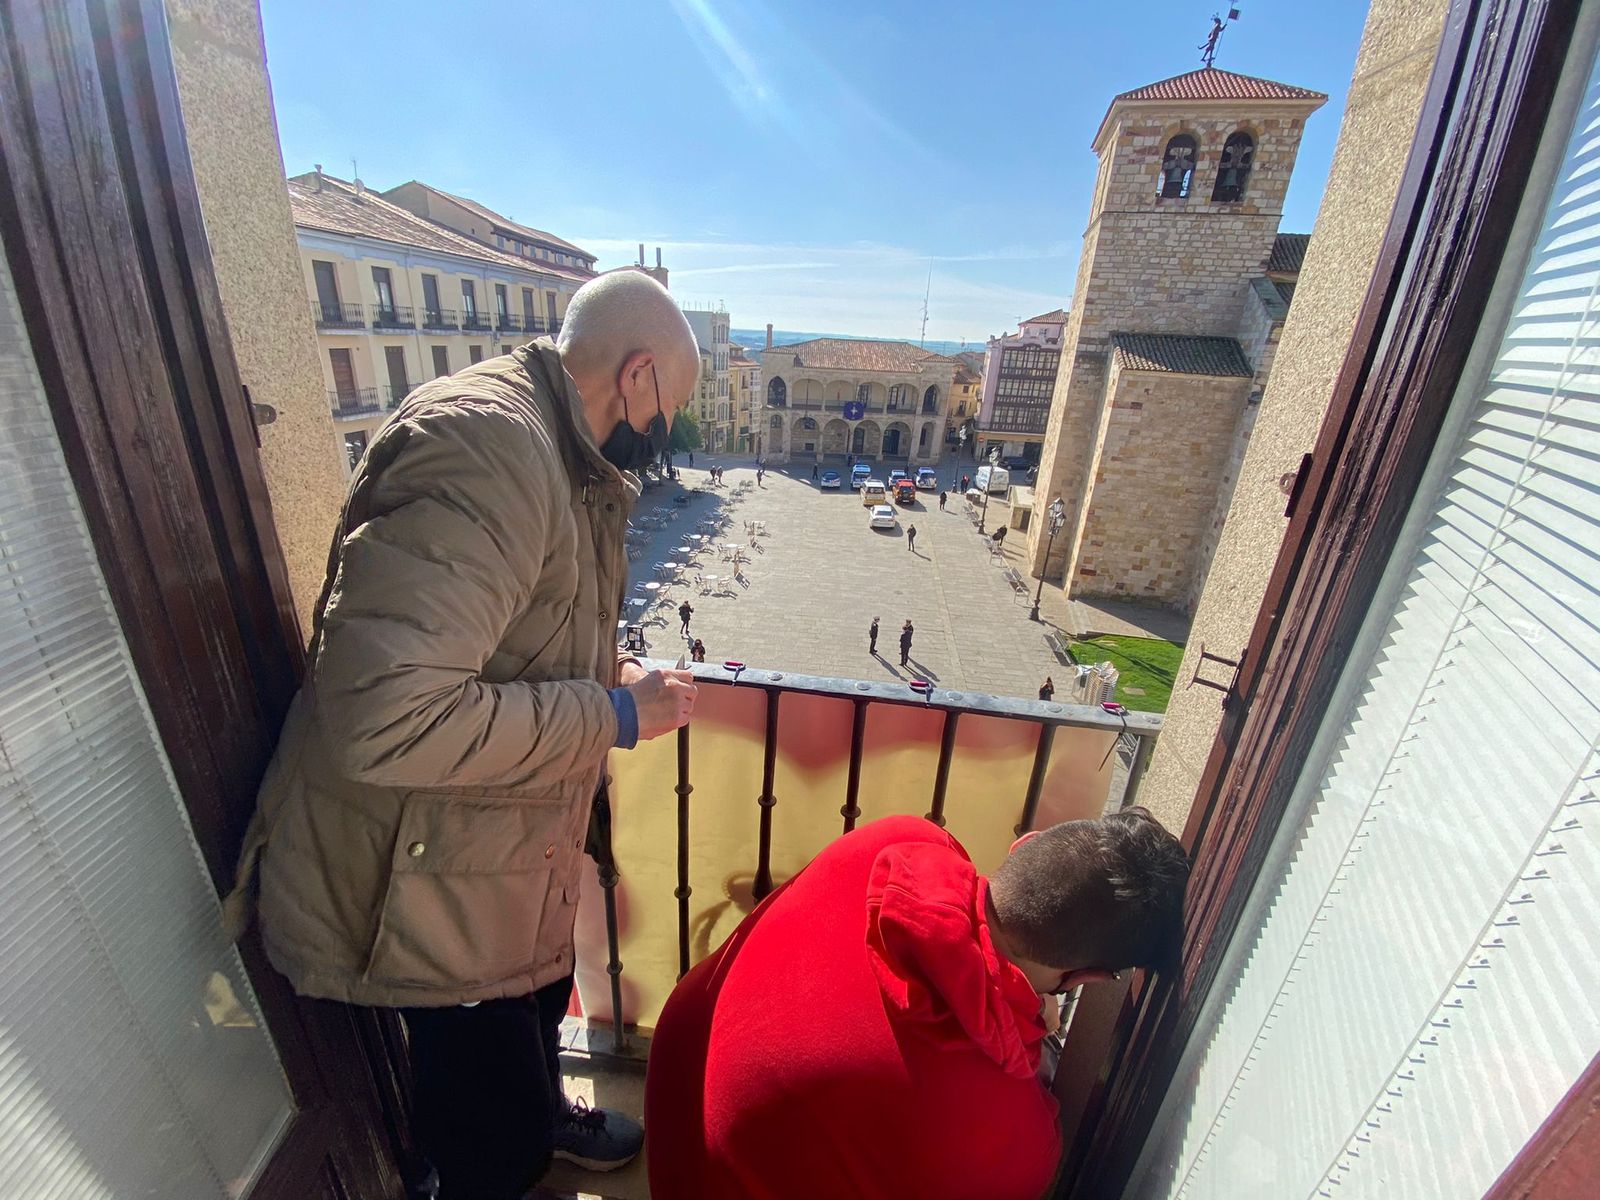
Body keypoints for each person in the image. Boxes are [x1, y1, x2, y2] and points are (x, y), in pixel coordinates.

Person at [224, 270, 703, 1199]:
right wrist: (615, 717)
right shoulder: (490, 448)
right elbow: (387, 715)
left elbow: (513, 631)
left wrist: (612, 674)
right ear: (638, 376)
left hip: (492, 855)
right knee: (485, 1139)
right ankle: (508, 1152)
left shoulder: (555, 454)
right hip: (424, 885)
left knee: (530, 1024)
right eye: (668, 413)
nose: (662, 437)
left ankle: (539, 1119)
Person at [644, 809, 1189, 1200]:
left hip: (677, 1102)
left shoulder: (898, 840)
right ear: (1091, 977)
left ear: (1026, 845)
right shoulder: (1016, 1139)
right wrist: (1029, 1028)